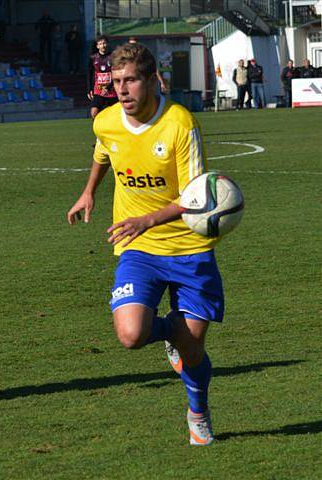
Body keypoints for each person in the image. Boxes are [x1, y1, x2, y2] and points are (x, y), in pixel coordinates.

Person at [67, 43, 225, 446]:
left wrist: (147, 219)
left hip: (189, 248)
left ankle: (197, 411)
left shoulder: (179, 123)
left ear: (152, 80)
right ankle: (169, 333)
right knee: (131, 335)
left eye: (131, 80)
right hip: (138, 248)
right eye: (116, 81)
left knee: (192, 351)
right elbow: (104, 154)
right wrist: (90, 192)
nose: (122, 90)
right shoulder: (106, 122)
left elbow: (197, 197)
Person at [87, 35, 118, 119]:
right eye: (100, 44)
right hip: (99, 91)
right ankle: (97, 130)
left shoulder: (113, 57)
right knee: (94, 112)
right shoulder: (93, 58)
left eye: (104, 43)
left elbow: (116, 74)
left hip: (112, 91)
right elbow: (89, 74)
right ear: (97, 46)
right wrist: (89, 89)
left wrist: (109, 87)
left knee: (115, 116)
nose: (103, 45)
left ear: (107, 44)